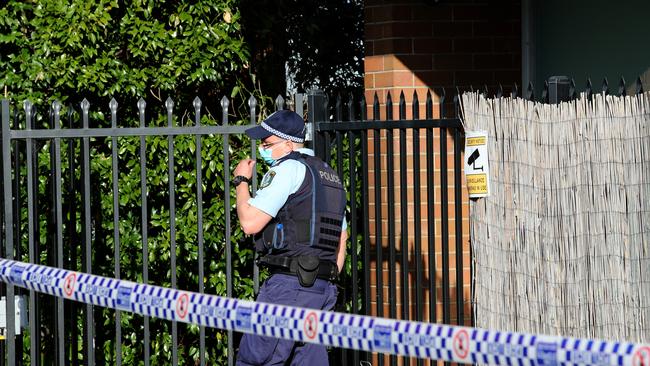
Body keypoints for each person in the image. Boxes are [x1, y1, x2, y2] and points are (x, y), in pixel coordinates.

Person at [233, 110, 348, 366]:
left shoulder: (288, 169)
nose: (262, 149)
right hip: (323, 289)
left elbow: (250, 223)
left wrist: (241, 181)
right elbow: (342, 239)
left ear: (287, 144)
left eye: (267, 144)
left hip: (289, 286)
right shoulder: (330, 177)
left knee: (257, 360)